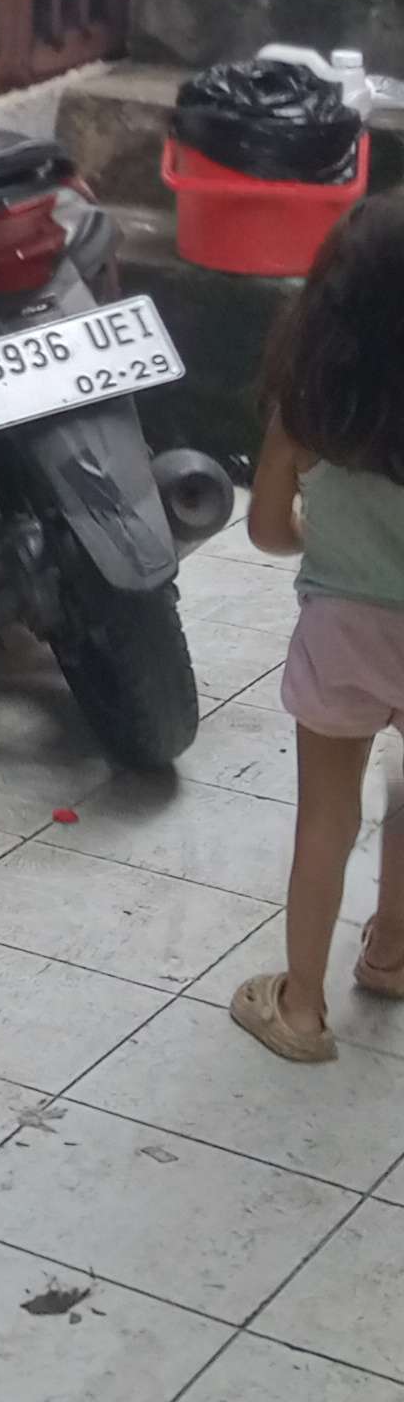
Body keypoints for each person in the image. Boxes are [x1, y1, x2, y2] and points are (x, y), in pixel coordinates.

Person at [229, 190, 404, 1064]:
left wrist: (319, 535)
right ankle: (392, 953)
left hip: (342, 635)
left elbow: (267, 531)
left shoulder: (308, 413)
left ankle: (300, 1008)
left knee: (326, 821)